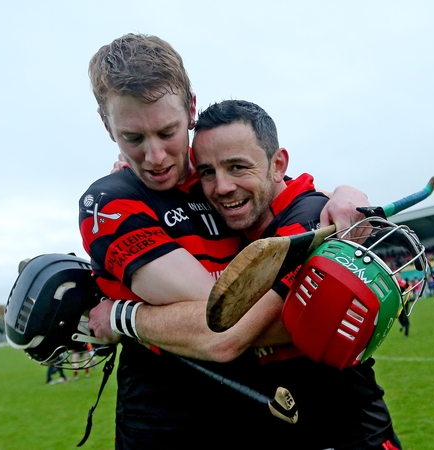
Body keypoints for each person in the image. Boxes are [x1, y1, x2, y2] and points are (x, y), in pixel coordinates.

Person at [81, 34, 379, 449]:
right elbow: (223, 316)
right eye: (133, 138)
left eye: (167, 132)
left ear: (190, 110)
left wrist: (342, 194)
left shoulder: (223, 184)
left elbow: (282, 195)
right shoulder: (111, 202)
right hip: (163, 422)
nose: (155, 157)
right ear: (106, 124)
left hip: (257, 416)